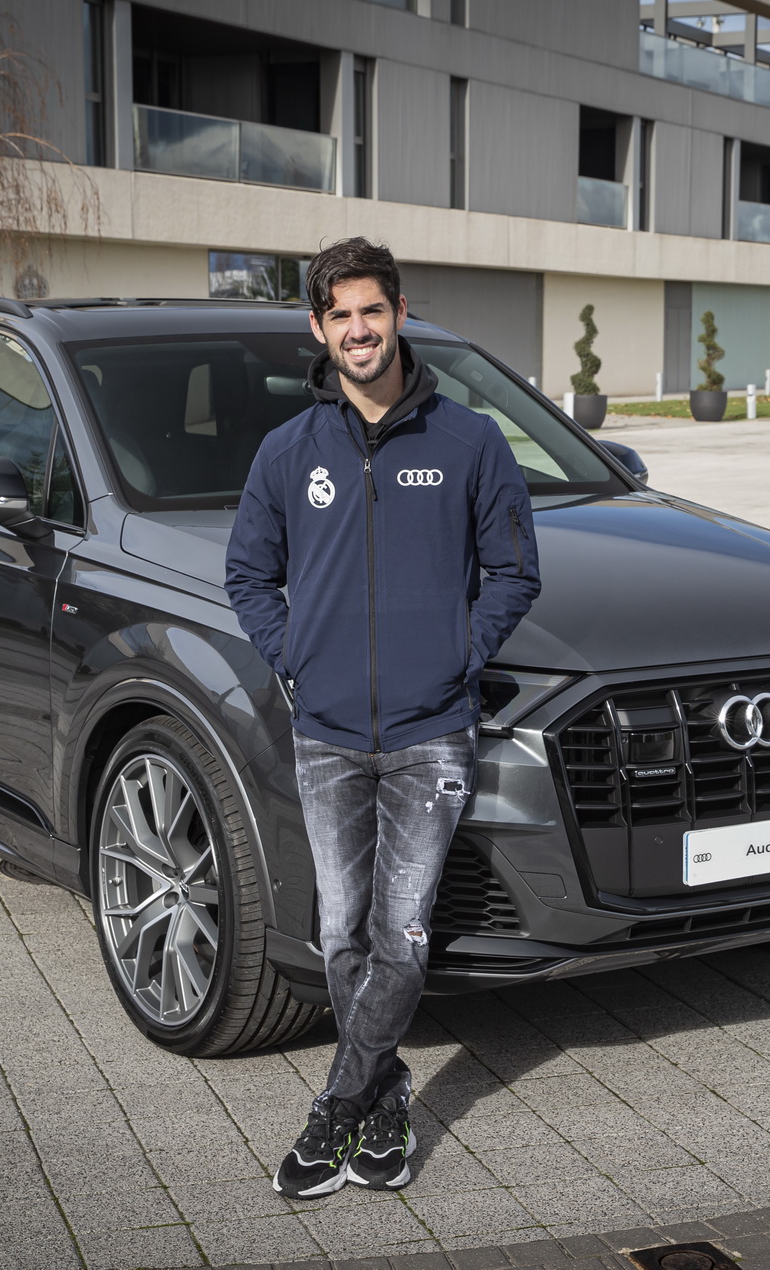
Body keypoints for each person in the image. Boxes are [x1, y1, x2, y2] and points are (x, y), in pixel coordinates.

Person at [225, 238, 541, 1197]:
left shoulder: (470, 443)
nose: (359, 331)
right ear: (317, 330)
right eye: (340, 316)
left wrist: (459, 651)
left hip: (431, 729)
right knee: (342, 938)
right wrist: (295, 654)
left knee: (402, 936)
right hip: (324, 731)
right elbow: (248, 576)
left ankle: (336, 1110)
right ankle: (387, 1091)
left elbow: (516, 571)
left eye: (374, 310)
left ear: (401, 312)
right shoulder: (288, 453)